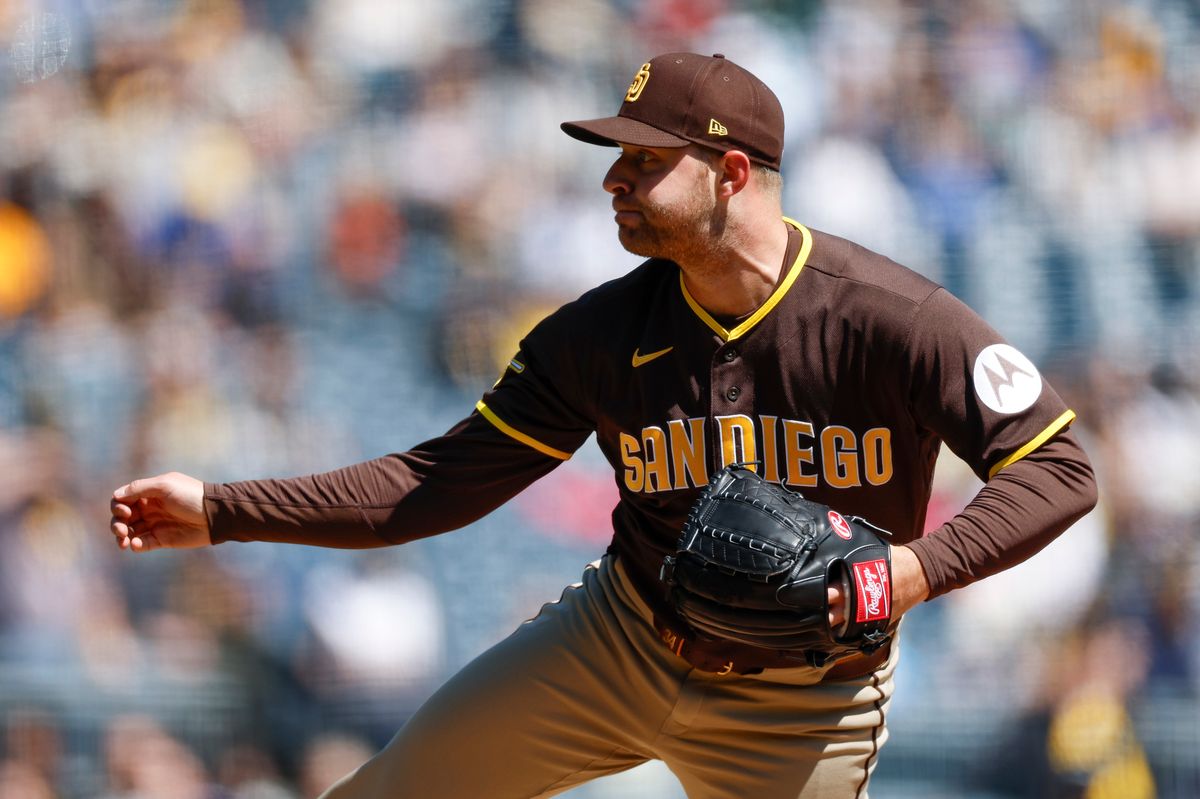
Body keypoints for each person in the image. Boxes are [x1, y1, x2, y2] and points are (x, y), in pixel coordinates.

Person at [109, 52, 1098, 798]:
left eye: (645, 159)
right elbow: (434, 483)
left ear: (732, 173)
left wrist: (916, 570)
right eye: (617, 156)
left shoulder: (891, 319)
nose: (613, 179)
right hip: (620, 640)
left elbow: (1058, 467)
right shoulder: (599, 334)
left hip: (805, 698)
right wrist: (222, 510)